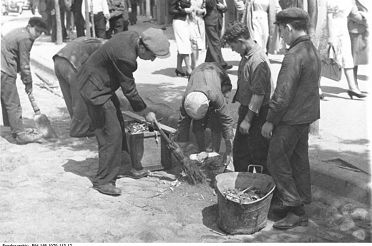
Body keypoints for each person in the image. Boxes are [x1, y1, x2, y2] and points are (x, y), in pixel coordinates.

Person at [77, 28, 170, 196]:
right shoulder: (126, 58)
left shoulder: (133, 36)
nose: (152, 59)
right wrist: (144, 111)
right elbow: (129, 90)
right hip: (95, 90)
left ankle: (128, 167)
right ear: (143, 47)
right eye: (153, 55)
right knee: (111, 135)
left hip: (101, 84)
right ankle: (103, 181)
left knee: (119, 125)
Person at [261, 8, 321, 229]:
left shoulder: (294, 55)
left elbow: (282, 94)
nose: (281, 35)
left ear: (287, 28)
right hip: (305, 116)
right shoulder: (311, 49)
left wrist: (270, 121)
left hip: (291, 119)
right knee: (298, 161)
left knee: (275, 160)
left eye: (280, 30)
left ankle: (294, 207)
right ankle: (300, 204)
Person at [223, 22, 272, 173]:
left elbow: (259, 95)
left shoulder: (257, 60)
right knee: (241, 153)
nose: (232, 50)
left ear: (241, 41)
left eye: (233, 46)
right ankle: (245, 185)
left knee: (257, 154)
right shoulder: (246, 55)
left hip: (257, 114)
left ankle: (261, 189)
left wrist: (247, 120)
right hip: (248, 110)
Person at [176, 62, 234, 168]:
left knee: (217, 120)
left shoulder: (216, 96)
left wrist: (229, 151)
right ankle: (201, 152)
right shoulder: (186, 99)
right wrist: (182, 152)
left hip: (220, 77)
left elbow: (227, 122)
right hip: (197, 74)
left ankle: (214, 155)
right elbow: (183, 123)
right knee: (198, 124)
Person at [1, 17, 48, 144]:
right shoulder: (26, 38)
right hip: (4, 68)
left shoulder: (21, 32)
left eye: (41, 32)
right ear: (29, 26)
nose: (38, 35)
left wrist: (25, 79)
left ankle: (10, 127)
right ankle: (20, 135)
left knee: (7, 98)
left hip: (3, 65)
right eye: (37, 31)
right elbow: (24, 63)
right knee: (13, 102)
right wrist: (28, 82)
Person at [53, 37, 104, 138]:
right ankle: (79, 130)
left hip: (58, 60)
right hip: (71, 63)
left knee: (69, 97)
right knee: (80, 97)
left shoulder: (97, 42)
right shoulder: (106, 48)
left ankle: (77, 124)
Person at [319, 0, 366, 99]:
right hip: (331, 30)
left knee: (347, 58)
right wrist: (331, 37)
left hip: (343, 31)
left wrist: (366, 18)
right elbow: (329, 17)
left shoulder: (350, 1)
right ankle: (317, 88)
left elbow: (354, 14)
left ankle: (353, 88)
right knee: (324, 60)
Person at [204, 0, 232, 70]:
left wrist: (223, 7)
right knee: (216, 42)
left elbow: (225, 8)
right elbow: (208, 4)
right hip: (210, 21)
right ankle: (221, 64)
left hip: (218, 21)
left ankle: (208, 63)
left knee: (213, 43)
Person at [348, 0, 368, 94]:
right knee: (355, 59)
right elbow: (352, 13)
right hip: (357, 29)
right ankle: (354, 85)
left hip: (365, 29)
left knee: (360, 58)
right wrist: (367, 20)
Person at [169, 0, 193, 77]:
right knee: (185, 44)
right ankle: (189, 69)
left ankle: (179, 68)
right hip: (179, 22)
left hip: (187, 21)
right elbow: (171, 10)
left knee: (182, 45)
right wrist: (184, 11)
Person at [189, 0, 206, 70]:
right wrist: (195, 10)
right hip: (190, 21)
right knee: (193, 42)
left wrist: (203, 11)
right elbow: (186, 7)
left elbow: (205, 9)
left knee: (200, 43)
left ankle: (197, 63)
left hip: (200, 21)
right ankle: (194, 64)